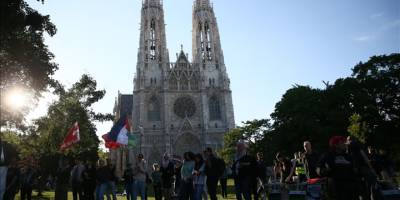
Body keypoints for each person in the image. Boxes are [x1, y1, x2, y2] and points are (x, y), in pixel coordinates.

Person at [318, 135, 358, 200]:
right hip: (335, 189)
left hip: (350, 190)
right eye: (342, 142)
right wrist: (326, 170)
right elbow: (319, 168)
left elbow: (354, 170)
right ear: (336, 145)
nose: (345, 144)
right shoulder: (328, 156)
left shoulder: (348, 156)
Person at [0, 135, 17, 199]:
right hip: (4, 166)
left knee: (2, 185)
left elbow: (14, 154)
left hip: (4, 166)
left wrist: (11, 162)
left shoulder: (6, 145)